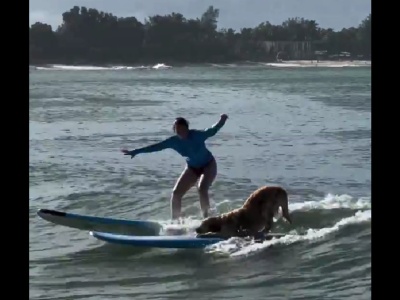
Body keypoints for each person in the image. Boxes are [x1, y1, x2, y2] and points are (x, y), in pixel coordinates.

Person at [121, 114, 228, 220]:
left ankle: (207, 220)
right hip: (192, 168)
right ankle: (175, 222)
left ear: (187, 128)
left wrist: (222, 120)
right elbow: (156, 147)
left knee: (202, 188)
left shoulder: (197, 135)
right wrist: (136, 152)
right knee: (176, 193)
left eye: (182, 129)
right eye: (177, 130)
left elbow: (212, 131)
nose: (181, 132)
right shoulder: (173, 141)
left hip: (208, 165)